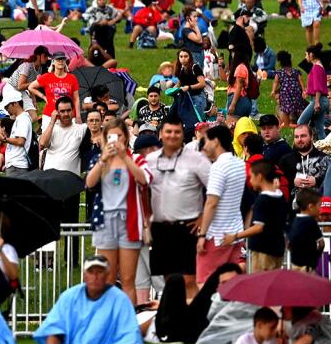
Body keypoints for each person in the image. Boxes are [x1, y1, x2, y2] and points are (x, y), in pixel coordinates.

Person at [34, 256, 144, 344]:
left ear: (108, 275)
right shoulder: (69, 297)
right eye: (91, 272)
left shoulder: (120, 299)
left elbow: (130, 337)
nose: (95, 277)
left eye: (100, 272)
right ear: (84, 275)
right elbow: (55, 329)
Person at [85, 117, 152, 302]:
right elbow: (89, 183)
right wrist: (103, 159)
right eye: (111, 136)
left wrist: (124, 157)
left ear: (126, 137)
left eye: (119, 136)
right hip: (106, 220)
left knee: (129, 279)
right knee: (108, 278)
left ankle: (127, 322)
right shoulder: (101, 159)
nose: (116, 140)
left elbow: (144, 179)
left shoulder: (136, 158)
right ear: (105, 138)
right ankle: (108, 321)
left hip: (129, 220)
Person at [146, 117, 211, 299]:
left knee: (189, 280)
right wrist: (147, 221)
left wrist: (203, 217)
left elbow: (215, 189)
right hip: (161, 227)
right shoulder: (150, 160)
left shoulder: (197, 159)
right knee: (170, 281)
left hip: (188, 227)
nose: (172, 136)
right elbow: (142, 190)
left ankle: (192, 321)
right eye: (168, 132)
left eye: (177, 132)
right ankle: (174, 321)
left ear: (183, 134)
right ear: (161, 134)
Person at [196, 125, 246, 285]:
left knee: (204, 283)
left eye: (207, 141)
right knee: (229, 285)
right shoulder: (239, 164)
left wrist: (202, 235)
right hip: (234, 232)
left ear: (215, 141)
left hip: (216, 235)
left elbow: (211, 203)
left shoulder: (218, 167)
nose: (204, 146)